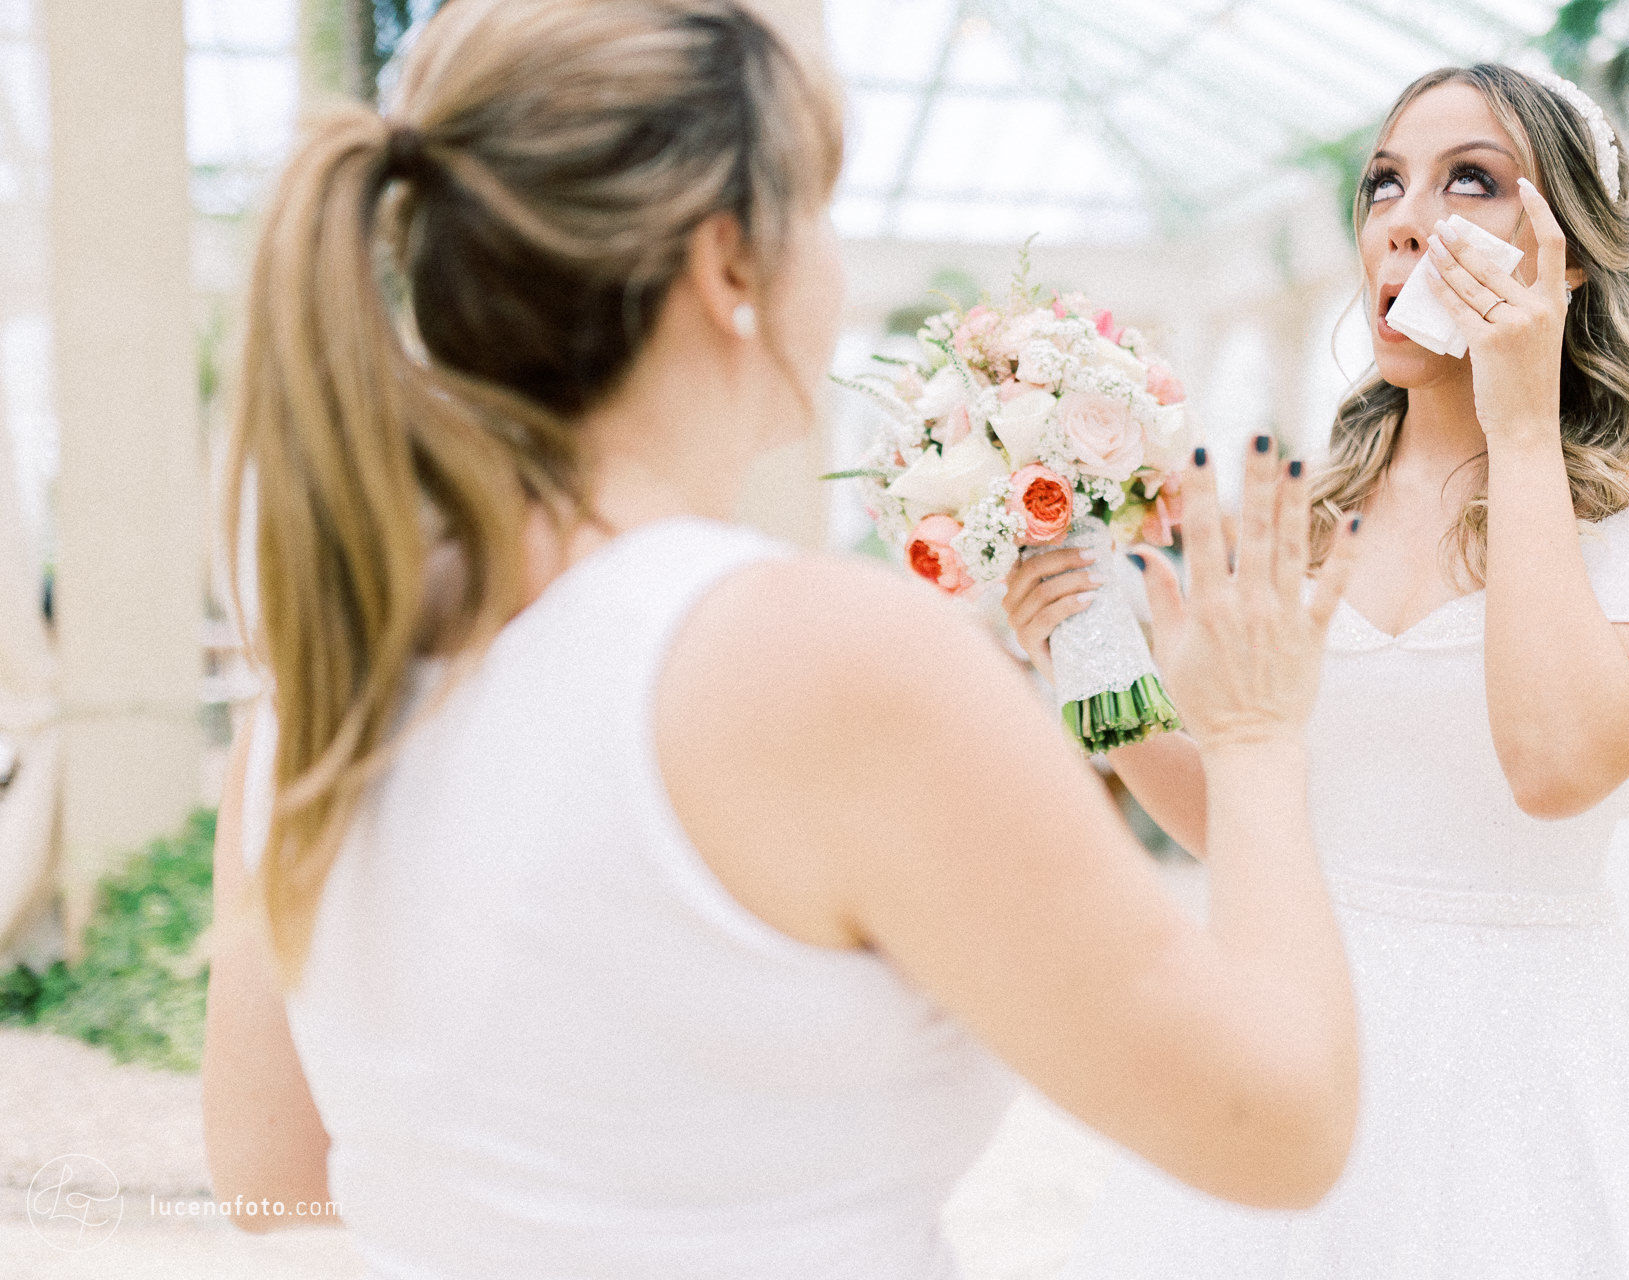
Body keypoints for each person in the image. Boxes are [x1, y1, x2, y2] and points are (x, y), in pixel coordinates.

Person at [199, 3, 1365, 1276]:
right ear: (731, 268)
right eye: (818, 205)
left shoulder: (325, 673)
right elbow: (1283, 1123)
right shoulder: (816, 657)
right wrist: (1252, 735)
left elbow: (272, 1176)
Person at [1008, 64, 1629, 1278]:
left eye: (1467, 179)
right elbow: (1250, 818)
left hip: (1531, 1081)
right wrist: (1084, 655)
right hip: (1297, 1036)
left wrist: (1522, 424)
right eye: (1383, 184)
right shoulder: (1316, 511)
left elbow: (1556, 761)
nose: (1403, 218)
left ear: (1568, 253)